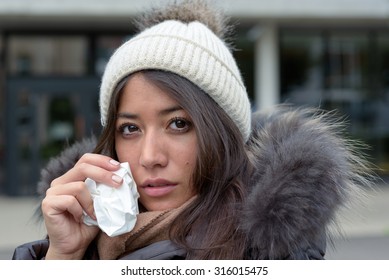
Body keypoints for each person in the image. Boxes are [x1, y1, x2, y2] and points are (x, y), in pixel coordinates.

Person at [13, 0, 373, 260]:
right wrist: (62, 256)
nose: (151, 157)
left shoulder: (268, 254)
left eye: (179, 124)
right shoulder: (88, 231)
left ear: (224, 133)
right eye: (129, 128)